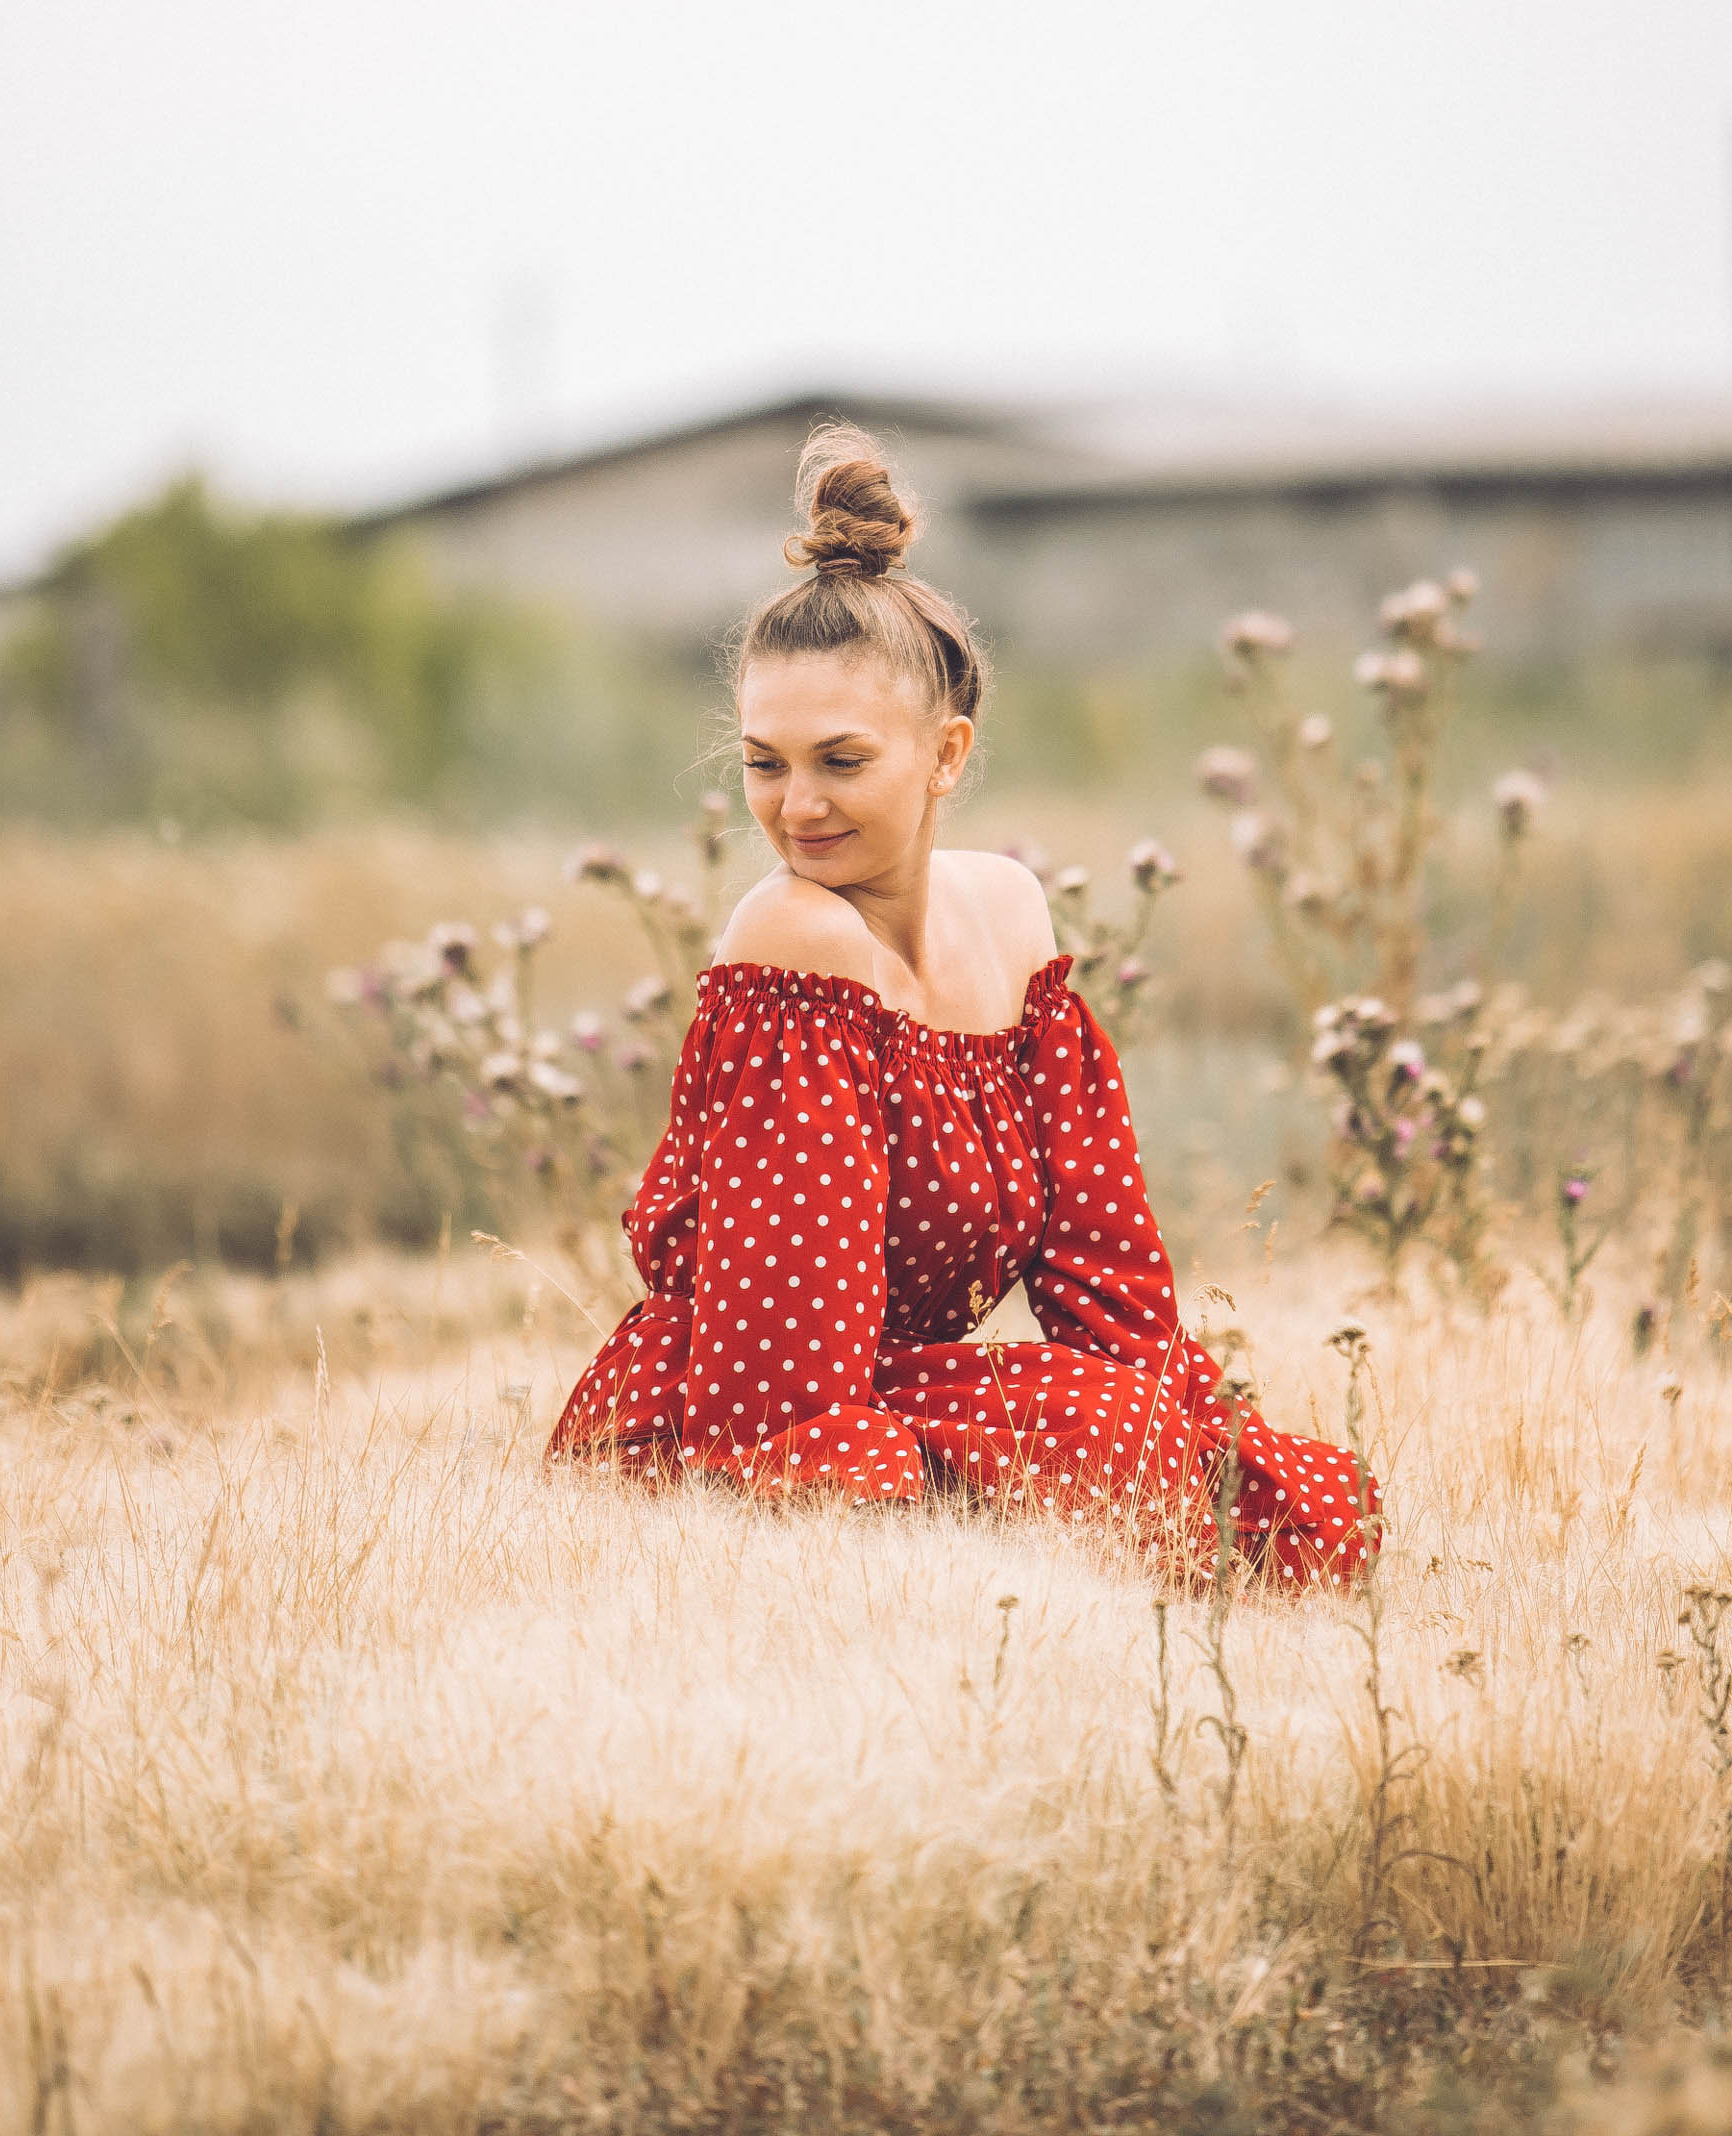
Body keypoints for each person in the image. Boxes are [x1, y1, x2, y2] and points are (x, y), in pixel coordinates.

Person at [547, 425, 1376, 1588]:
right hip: (730, 1428)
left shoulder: (1013, 917)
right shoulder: (790, 941)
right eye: (763, 763)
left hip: (897, 1396)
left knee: (1202, 1456)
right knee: (1102, 1438)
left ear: (945, 755)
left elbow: (1108, 1271)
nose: (794, 808)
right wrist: (1067, 1451)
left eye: (840, 761)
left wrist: (1188, 1435)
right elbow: (778, 1378)